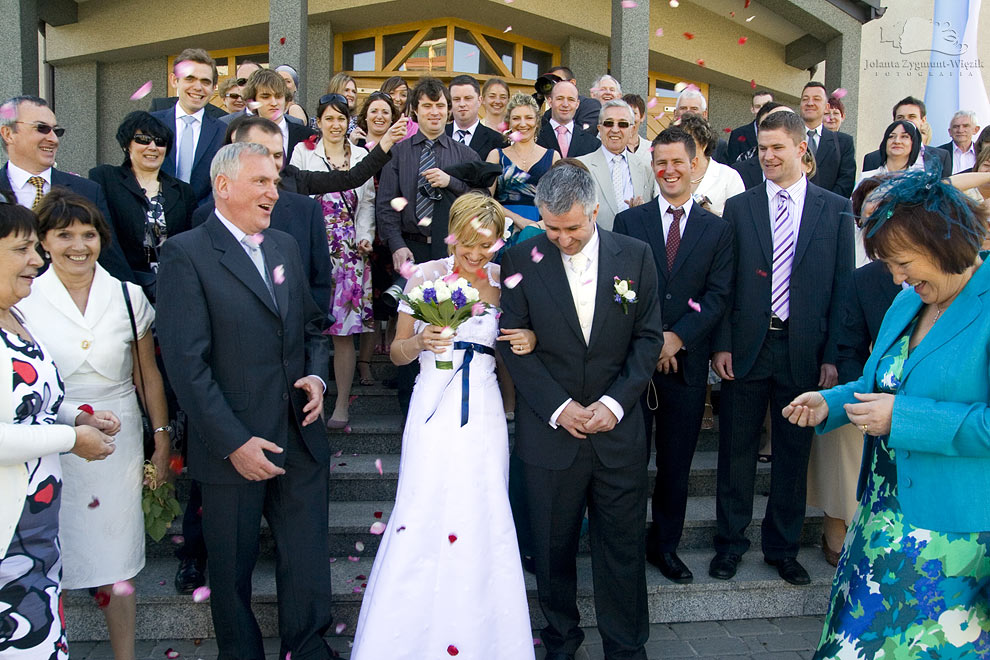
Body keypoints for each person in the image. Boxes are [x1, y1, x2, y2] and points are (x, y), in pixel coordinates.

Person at [783, 171, 990, 659]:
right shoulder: (908, 299)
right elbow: (879, 384)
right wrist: (830, 404)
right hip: (878, 521)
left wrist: (904, 419)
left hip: (952, 539)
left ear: (942, 242)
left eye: (902, 263)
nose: (896, 278)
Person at [156, 143, 332, 660]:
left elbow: (313, 328)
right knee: (230, 574)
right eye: (261, 181)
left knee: (305, 561)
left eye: (275, 182)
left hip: (298, 436)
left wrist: (318, 381)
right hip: (232, 447)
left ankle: (309, 650)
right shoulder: (185, 254)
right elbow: (187, 365)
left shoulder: (282, 245)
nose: (273, 192)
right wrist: (234, 442)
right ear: (223, 186)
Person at [350, 193, 536, 660]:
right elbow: (393, 352)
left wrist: (528, 339)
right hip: (432, 404)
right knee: (426, 504)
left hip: (485, 411)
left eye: (485, 247)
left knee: (485, 505)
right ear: (453, 233)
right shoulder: (426, 275)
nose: (475, 256)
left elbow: (518, 344)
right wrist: (420, 342)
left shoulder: (504, 283)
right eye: (467, 245)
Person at [498, 162, 663, 660]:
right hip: (551, 436)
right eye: (552, 228)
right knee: (551, 552)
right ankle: (561, 642)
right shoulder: (518, 257)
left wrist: (614, 404)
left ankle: (626, 647)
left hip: (618, 432)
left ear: (594, 210)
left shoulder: (635, 256)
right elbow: (511, 344)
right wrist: (558, 407)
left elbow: (648, 339)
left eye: (573, 227)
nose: (563, 239)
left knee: (623, 550)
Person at [18, 189, 171, 660]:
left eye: (88, 234)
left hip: (117, 442)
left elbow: (147, 374)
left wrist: (161, 441)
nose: (77, 245)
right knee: (46, 553)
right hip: (45, 443)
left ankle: (124, 655)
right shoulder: (23, 298)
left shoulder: (127, 295)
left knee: (115, 560)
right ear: (44, 241)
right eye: (64, 235)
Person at [710, 109, 854, 586]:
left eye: (777, 148)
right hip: (747, 349)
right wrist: (723, 344)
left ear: (801, 150)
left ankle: (782, 548)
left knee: (792, 456)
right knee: (736, 452)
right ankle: (729, 545)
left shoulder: (835, 208)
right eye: (763, 148)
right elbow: (725, 283)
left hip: (804, 352)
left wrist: (833, 355)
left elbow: (842, 289)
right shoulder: (741, 207)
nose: (768, 156)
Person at [612, 127, 733, 584]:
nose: (668, 171)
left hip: (687, 366)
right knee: (628, 463)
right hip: (633, 368)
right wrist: (652, 341)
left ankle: (665, 546)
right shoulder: (630, 222)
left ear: (694, 164)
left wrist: (676, 338)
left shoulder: (716, 229)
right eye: (660, 163)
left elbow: (719, 295)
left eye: (677, 162)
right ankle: (624, 547)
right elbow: (620, 291)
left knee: (676, 465)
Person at [0, 199, 117, 660]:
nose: (36, 260)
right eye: (22, 249)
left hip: (36, 532)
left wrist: (76, 416)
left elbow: (31, 404)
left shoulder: (17, 316)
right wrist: (72, 439)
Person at [806, 177, 900, 568]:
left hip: (915, 412)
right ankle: (840, 531)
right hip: (866, 390)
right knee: (843, 429)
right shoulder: (864, 279)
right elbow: (847, 344)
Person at [375, 77, 482, 416]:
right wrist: (395, 245)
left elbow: (481, 202)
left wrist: (451, 182)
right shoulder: (399, 152)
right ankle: (409, 404)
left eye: (440, 106)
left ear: (448, 110)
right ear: (414, 110)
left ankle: (449, 401)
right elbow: (385, 205)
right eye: (427, 105)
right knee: (410, 326)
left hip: (453, 253)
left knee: (451, 325)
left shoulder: (465, 154)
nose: (434, 112)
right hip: (411, 249)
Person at [290, 94, 377, 428]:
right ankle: (307, 400)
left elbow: (367, 202)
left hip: (350, 252)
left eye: (341, 119)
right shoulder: (303, 153)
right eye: (329, 118)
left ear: (349, 122)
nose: (335, 125)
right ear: (319, 122)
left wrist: (365, 234)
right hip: (310, 248)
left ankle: (341, 403)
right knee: (306, 329)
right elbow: (296, 197)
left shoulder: (360, 156)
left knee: (343, 333)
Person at [0, 95, 133, 282]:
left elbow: (112, 263)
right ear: (8, 134)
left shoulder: (86, 192)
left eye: (56, 131)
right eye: (42, 129)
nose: (53, 139)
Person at [88, 111, 197, 300]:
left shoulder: (183, 191)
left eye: (160, 141)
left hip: (172, 290)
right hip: (121, 288)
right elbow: (105, 240)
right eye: (143, 139)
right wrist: (128, 287)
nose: (153, 147)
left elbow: (189, 244)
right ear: (126, 145)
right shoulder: (105, 179)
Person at [150, 48, 227, 205]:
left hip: (200, 220)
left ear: (214, 88)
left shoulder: (223, 131)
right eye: (190, 79)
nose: (198, 87)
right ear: (174, 80)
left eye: (205, 81)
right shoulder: (151, 124)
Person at [576, 99, 655, 230]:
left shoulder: (645, 168)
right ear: (599, 128)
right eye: (609, 123)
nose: (615, 129)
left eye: (622, 124)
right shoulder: (580, 166)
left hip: (633, 245)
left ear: (632, 129)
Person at [486, 93, 559, 234]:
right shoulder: (496, 156)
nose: (523, 123)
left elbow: (559, 203)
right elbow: (485, 200)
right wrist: (519, 220)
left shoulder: (553, 157)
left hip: (542, 230)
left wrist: (537, 227)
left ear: (537, 121)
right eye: (516, 118)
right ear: (509, 122)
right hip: (503, 230)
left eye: (529, 118)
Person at [225, 69, 317, 160]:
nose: (274, 103)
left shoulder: (307, 135)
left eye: (278, 96)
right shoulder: (242, 134)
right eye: (266, 97)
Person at [862, 97, 952, 175]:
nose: (906, 121)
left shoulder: (941, 157)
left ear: (923, 120)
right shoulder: (873, 159)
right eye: (900, 117)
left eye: (912, 117)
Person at [678, 114, 745, 217]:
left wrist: (711, 215)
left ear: (704, 144)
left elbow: (740, 218)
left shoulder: (728, 176)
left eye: (689, 143)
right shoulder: (668, 174)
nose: (682, 149)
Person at [798, 81, 856, 197]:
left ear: (826, 107)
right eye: (805, 99)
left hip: (828, 209)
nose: (810, 103)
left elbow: (846, 182)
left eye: (816, 99)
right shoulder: (789, 138)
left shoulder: (843, 142)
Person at [536, 80, 601, 159]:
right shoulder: (534, 138)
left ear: (577, 104)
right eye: (560, 98)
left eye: (571, 99)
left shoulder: (593, 143)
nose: (565, 104)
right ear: (550, 102)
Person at [445, 75, 504, 160]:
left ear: (479, 101)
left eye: (468, 98)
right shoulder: (438, 135)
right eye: (456, 99)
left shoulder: (497, 141)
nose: (462, 104)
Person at [672, 88, 729, 164]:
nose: (688, 112)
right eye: (683, 108)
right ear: (675, 113)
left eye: (694, 108)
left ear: (704, 114)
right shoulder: (664, 141)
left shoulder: (719, 145)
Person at [859, 120, 923, 180]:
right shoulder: (867, 178)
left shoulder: (921, 180)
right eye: (891, 136)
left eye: (904, 136)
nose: (897, 141)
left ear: (914, 143)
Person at [727, 90, 774, 163]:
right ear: (752, 109)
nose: (762, 110)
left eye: (766, 106)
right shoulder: (737, 134)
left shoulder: (783, 132)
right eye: (758, 106)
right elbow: (732, 166)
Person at [936, 110, 981, 174]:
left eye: (965, 126)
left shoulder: (982, 153)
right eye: (956, 127)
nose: (960, 130)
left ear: (975, 130)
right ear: (950, 132)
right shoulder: (938, 153)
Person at [622, 93, 652, 166]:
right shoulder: (612, 147)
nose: (629, 117)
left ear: (642, 117)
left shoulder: (651, 148)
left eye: (633, 113)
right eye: (625, 113)